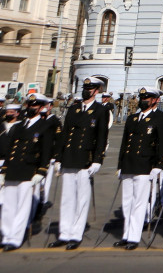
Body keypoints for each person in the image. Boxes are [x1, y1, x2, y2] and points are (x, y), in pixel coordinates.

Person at [50, 76, 109, 249]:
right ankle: (64, 233)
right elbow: (64, 135)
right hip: (69, 157)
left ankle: (76, 235)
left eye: (90, 89)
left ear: (96, 91)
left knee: (81, 199)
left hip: (86, 160)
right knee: (67, 198)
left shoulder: (100, 110)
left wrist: (98, 160)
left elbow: (101, 137)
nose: (86, 91)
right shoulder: (74, 109)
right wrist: (58, 158)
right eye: (85, 87)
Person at [115, 87, 163, 250]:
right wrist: (120, 165)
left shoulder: (161, 118)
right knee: (127, 202)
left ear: (156, 100)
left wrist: (159, 165)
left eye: (148, 98)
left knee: (139, 203)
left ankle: (134, 236)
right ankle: (126, 234)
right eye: (142, 97)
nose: (143, 100)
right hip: (129, 165)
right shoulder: (132, 119)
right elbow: (125, 144)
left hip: (145, 166)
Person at [0, 93, 55, 250]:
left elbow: (46, 151)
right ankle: (6, 234)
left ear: (41, 107)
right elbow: (11, 149)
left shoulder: (45, 127)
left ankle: (15, 239)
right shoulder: (19, 126)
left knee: (22, 207)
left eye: (35, 106)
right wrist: (3, 171)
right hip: (13, 169)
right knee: (9, 206)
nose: (31, 108)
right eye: (29, 105)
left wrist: (42, 171)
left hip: (28, 170)